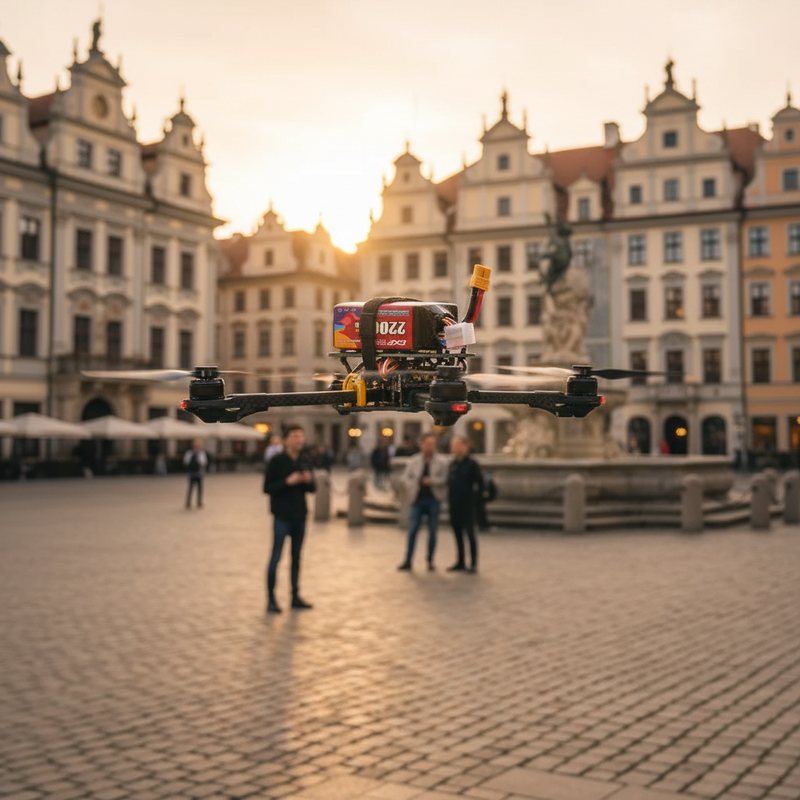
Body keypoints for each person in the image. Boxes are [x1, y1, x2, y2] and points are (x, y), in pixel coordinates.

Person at [263, 425, 316, 614]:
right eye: (295, 436)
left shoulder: (305, 459)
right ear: (286, 440)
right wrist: (287, 482)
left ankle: (295, 596)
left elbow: (312, 489)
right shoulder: (276, 461)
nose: (299, 440)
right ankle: (271, 599)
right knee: (276, 557)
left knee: (297, 557)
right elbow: (267, 488)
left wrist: (308, 480)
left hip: (300, 515)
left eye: (301, 436)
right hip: (282, 516)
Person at [398, 433, 448, 572]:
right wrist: (412, 485)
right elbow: (404, 478)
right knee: (412, 530)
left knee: (432, 531)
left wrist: (433, 481)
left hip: (433, 499)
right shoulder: (414, 461)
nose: (430, 447)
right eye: (427, 444)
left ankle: (430, 560)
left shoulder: (442, 462)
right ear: (422, 445)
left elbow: (445, 479)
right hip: (417, 499)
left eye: (432, 444)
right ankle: (408, 560)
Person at [446, 435, 484, 573]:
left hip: (468, 505)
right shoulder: (453, 464)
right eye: (453, 445)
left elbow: (480, 484)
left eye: (456, 445)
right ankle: (460, 561)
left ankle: (473, 563)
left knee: (470, 534)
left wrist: (476, 501)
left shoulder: (472, 464)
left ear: (464, 446)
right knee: (457, 534)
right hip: (455, 505)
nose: (453, 448)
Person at [183, 439, 208, 508]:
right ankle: (191, 502)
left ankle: (197, 501)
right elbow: (204, 462)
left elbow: (185, 462)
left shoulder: (190, 453)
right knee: (193, 488)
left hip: (195, 472)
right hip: (196, 472)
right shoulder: (198, 453)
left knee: (196, 488)